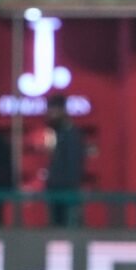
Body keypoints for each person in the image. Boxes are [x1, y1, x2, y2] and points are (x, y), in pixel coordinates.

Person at [44, 94, 85, 226]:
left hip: (67, 192)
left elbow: (74, 164)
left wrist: (70, 187)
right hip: (55, 191)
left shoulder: (71, 133)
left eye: (54, 110)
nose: (51, 114)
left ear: (63, 110)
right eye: (50, 110)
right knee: (56, 227)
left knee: (68, 228)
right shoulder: (56, 132)